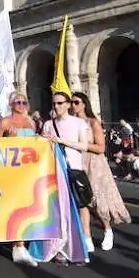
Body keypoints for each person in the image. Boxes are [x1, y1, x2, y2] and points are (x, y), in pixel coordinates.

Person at [70, 92, 130, 251]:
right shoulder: (70, 123)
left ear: (84, 104)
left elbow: (101, 147)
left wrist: (80, 145)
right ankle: (87, 237)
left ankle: (107, 230)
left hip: (94, 163)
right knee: (83, 200)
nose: (73, 105)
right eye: (71, 102)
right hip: (77, 162)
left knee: (97, 200)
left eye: (76, 102)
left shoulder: (93, 122)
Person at [40, 92, 93, 259]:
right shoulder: (48, 124)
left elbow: (84, 146)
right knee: (59, 209)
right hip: (54, 170)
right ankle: (60, 248)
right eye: (54, 103)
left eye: (60, 103)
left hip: (73, 168)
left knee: (78, 206)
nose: (57, 106)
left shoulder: (79, 123)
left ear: (69, 104)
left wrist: (61, 141)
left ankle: (82, 242)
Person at [0, 94, 39, 267]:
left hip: (29, 170)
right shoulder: (5, 123)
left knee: (29, 206)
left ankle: (22, 244)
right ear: (10, 104)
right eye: (17, 102)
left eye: (24, 102)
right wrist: (9, 140)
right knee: (16, 207)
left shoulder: (31, 123)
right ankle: (18, 246)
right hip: (11, 170)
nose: (21, 105)